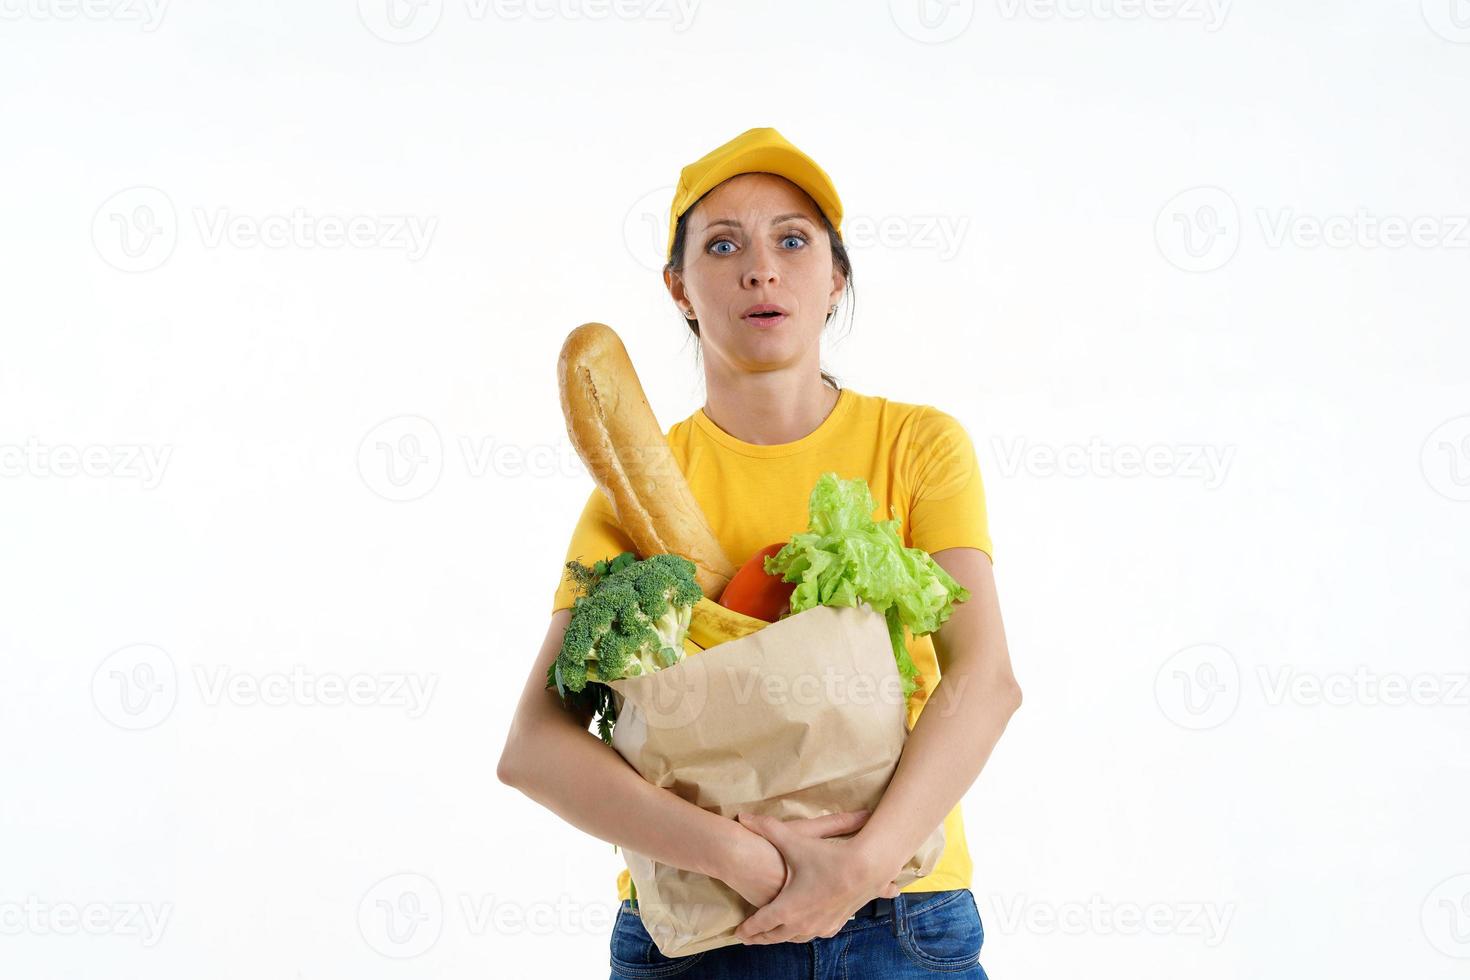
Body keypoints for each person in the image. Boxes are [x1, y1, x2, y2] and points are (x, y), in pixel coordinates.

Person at [498, 126, 1022, 979]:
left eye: (792, 239)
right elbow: (534, 747)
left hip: (903, 918)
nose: (760, 269)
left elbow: (986, 680)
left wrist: (852, 871)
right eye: (723, 245)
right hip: (704, 932)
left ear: (835, 277)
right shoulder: (629, 490)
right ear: (680, 290)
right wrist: (749, 861)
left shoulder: (917, 445)